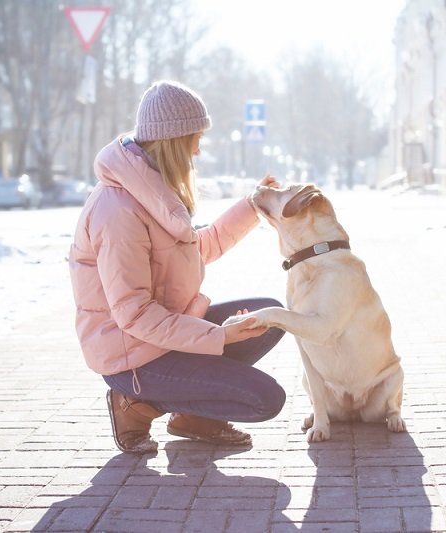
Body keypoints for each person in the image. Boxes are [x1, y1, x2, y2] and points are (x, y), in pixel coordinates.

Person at [69, 80, 287, 454]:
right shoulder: (118, 212)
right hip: (133, 357)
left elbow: (198, 247)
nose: (199, 149)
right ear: (173, 142)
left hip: (163, 337)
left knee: (269, 316)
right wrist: (219, 337)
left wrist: (252, 205)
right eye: (194, 139)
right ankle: (137, 403)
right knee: (264, 398)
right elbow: (135, 315)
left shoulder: (151, 191)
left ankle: (192, 416)